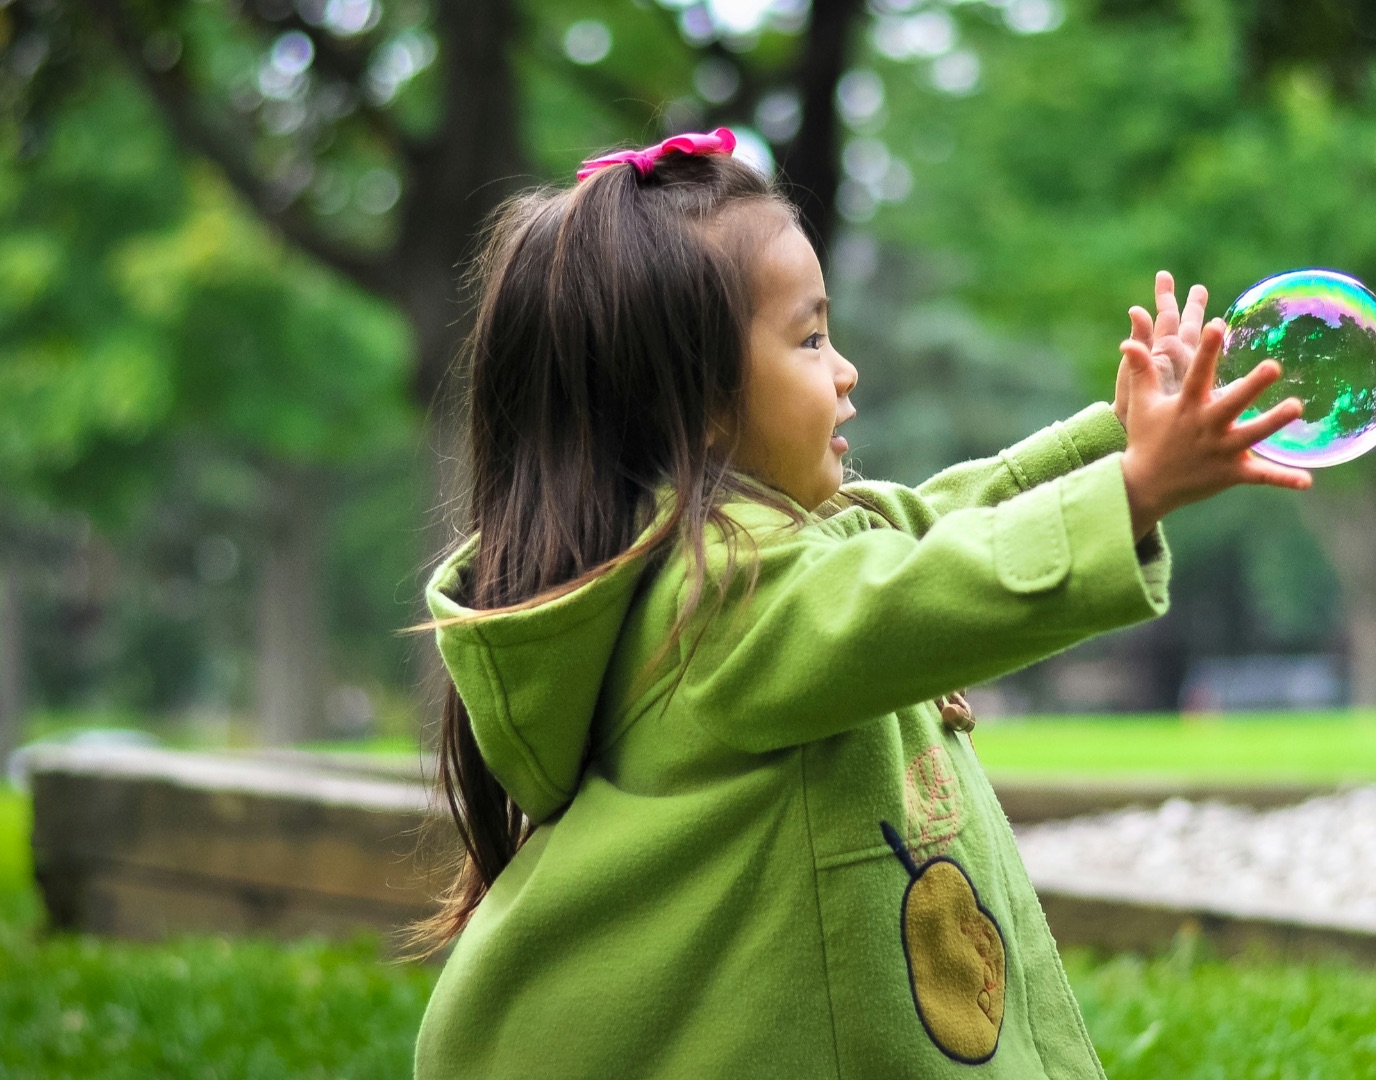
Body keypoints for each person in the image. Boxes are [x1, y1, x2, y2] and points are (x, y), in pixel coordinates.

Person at [410, 128, 1310, 1079]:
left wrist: (1116, 445)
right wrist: (1131, 493)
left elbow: (924, 526)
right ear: (701, 404)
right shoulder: (714, 605)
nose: (845, 371)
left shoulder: (755, 557)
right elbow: (915, 590)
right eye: (808, 338)